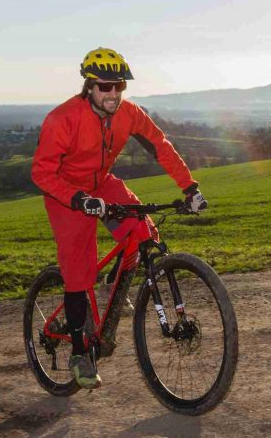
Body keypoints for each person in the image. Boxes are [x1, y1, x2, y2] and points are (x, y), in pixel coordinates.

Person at [31, 47, 208, 389]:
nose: (113, 93)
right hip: (66, 195)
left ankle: (115, 282)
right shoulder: (62, 119)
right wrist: (77, 199)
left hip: (103, 184)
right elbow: (41, 172)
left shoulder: (130, 114)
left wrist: (189, 187)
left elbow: (160, 146)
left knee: (145, 233)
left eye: (119, 87)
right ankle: (81, 354)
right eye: (105, 87)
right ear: (90, 86)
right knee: (79, 272)